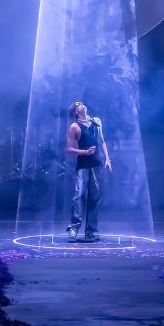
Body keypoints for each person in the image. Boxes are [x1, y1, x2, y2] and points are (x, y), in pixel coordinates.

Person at [65, 101, 111, 242]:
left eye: (82, 103)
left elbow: (102, 141)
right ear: (75, 112)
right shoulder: (74, 127)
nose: (82, 104)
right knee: (79, 195)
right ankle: (74, 227)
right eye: (78, 104)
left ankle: (92, 230)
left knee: (95, 197)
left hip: (96, 164)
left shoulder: (96, 121)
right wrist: (85, 152)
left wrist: (107, 158)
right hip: (83, 165)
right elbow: (69, 149)